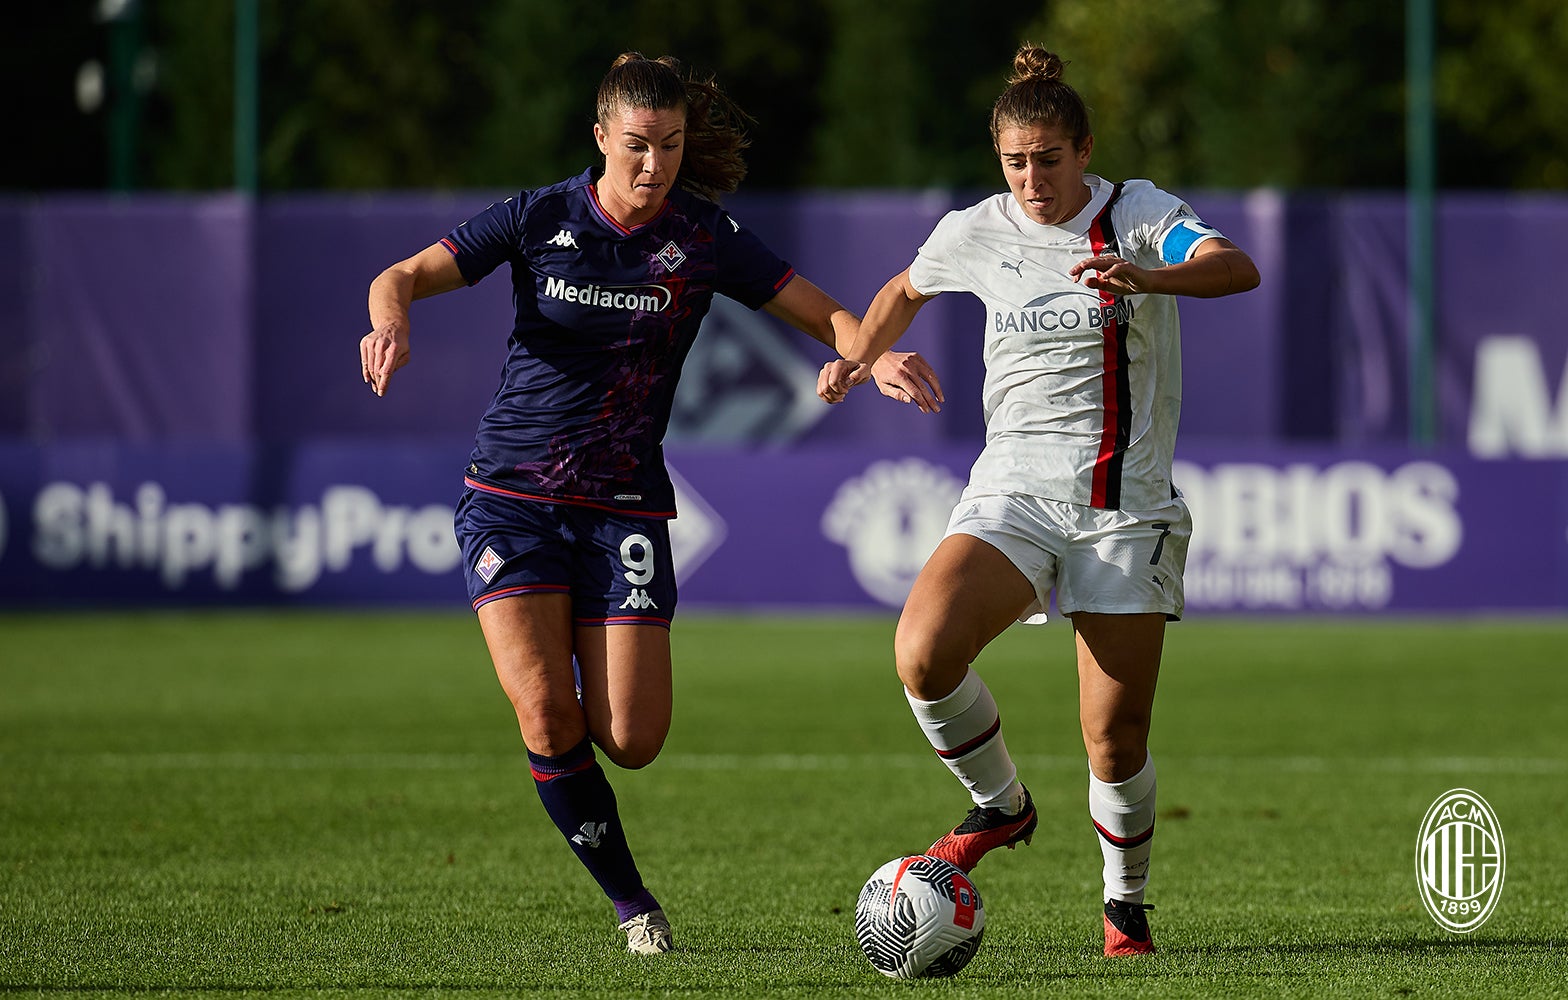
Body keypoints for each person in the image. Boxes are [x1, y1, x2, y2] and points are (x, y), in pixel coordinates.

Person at [359, 53, 938, 956]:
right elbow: (397, 275)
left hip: (624, 503)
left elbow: (828, 316)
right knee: (549, 713)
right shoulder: (538, 216)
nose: (653, 165)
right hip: (509, 497)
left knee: (632, 737)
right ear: (600, 138)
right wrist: (390, 318)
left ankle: (564, 759)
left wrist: (873, 356)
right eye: (635, 145)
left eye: (669, 146)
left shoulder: (705, 236)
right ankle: (635, 907)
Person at [818, 43, 1260, 957]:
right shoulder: (975, 229)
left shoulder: (1138, 216)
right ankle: (1001, 805)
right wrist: (862, 357)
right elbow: (904, 288)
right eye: (1016, 162)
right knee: (923, 652)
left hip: (1122, 504)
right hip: (1012, 490)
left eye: (1048, 160)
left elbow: (1234, 266)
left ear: (1084, 150)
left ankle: (1124, 904)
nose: (1031, 180)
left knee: (1113, 739)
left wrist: (1149, 278)